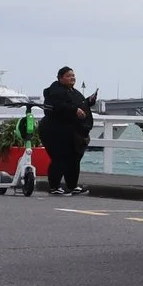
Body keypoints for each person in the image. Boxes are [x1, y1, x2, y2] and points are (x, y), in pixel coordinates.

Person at [40, 66, 95, 195]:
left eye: (73, 75)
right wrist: (74, 110)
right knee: (59, 157)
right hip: (54, 131)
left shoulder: (74, 92)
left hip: (71, 131)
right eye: (69, 75)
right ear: (60, 78)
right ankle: (54, 186)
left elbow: (80, 104)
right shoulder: (54, 91)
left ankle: (72, 186)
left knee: (74, 158)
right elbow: (58, 106)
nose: (72, 78)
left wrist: (89, 101)